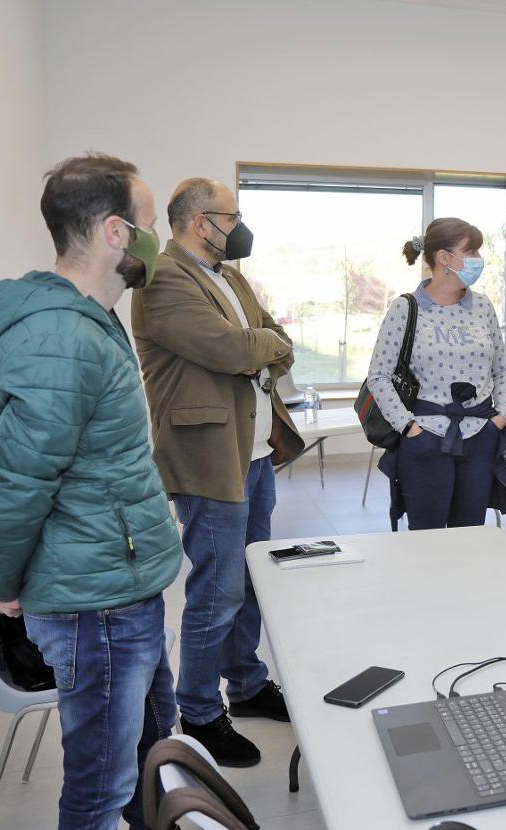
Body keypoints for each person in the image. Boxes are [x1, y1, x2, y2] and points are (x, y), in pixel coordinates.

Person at [0, 153, 183, 829]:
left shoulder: (85, 319)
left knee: (148, 752)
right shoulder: (60, 338)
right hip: (97, 603)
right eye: (149, 224)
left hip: (116, 583)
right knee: (99, 790)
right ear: (116, 232)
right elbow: (19, 481)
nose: (156, 240)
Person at [131, 177, 304, 766]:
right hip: (209, 457)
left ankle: (246, 684)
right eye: (233, 217)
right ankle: (200, 711)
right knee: (217, 589)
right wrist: (258, 344)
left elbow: (276, 340)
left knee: (251, 578)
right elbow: (232, 351)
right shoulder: (163, 279)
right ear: (202, 221)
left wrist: (260, 343)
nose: (240, 227)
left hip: (253, 452)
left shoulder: (230, 276)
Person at [369, 217, 506, 530]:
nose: (478, 259)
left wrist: (500, 417)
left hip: (479, 435)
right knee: (427, 538)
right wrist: (408, 427)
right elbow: (379, 376)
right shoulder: (406, 309)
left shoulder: (483, 307)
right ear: (444, 258)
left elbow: (502, 370)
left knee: (469, 534)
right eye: (471, 252)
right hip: (426, 438)